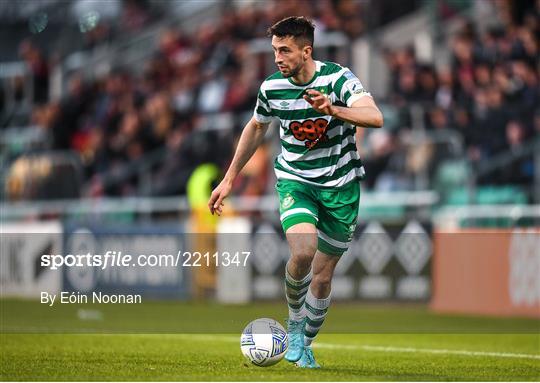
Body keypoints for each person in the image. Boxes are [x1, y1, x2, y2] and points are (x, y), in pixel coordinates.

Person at [208, 16, 383, 368]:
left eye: (284, 50)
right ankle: (293, 322)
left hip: (341, 186)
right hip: (296, 181)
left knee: (322, 276)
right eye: (275, 50)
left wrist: (333, 109)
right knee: (303, 251)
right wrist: (229, 179)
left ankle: (305, 341)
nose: (277, 58)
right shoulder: (272, 88)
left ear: (306, 51)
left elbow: (375, 117)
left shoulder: (338, 78)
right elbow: (256, 128)